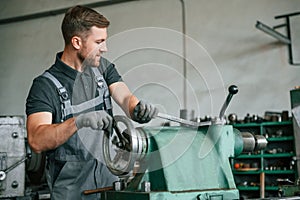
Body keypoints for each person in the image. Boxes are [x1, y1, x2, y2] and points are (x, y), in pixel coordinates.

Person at [26, 5, 158, 200]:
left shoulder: (103, 69)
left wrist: (138, 110)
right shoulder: (45, 86)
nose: (105, 48)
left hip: (111, 183)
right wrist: (78, 121)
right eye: (99, 42)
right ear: (77, 42)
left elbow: (125, 98)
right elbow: (37, 140)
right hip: (71, 192)